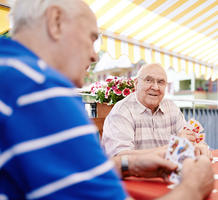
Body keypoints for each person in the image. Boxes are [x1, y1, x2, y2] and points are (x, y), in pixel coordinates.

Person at [0, 0, 213, 200]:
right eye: (92, 39)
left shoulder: (11, 74)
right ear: (55, 22)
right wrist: (193, 187)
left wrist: (128, 165)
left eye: (161, 82)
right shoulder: (40, 91)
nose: (94, 56)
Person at [102, 63, 211, 158]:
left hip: (167, 174)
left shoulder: (171, 107)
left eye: (161, 82)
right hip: (135, 179)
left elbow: (187, 138)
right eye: (148, 80)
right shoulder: (122, 111)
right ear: (136, 84)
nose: (155, 87)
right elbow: (121, 158)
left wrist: (198, 146)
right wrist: (173, 146)